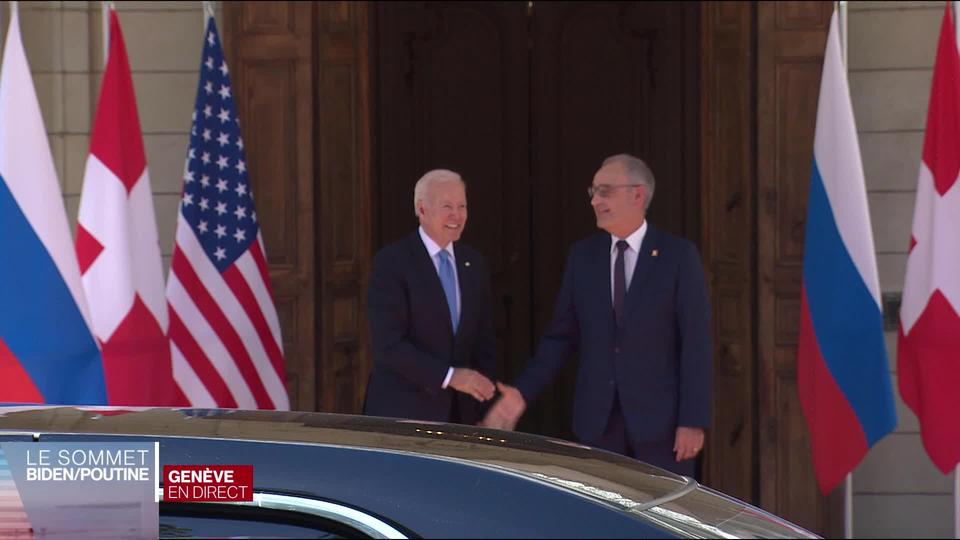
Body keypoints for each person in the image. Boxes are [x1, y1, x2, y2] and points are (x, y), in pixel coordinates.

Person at [482, 154, 712, 476]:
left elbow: (695, 342)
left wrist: (693, 420)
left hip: (663, 429)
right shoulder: (584, 257)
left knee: (661, 524)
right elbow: (560, 338)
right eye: (593, 192)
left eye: (605, 191)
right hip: (599, 425)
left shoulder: (677, 256)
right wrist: (521, 394)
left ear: (638, 195)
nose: (595, 201)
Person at [364, 169, 498, 424]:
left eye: (462, 206)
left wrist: (484, 404)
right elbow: (388, 345)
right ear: (422, 210)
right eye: (447, 206)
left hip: (461, 418)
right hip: (404, 414)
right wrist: (450, 376)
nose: (456, 215)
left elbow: (483, 342)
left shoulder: (474, 263)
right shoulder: (392, 262)